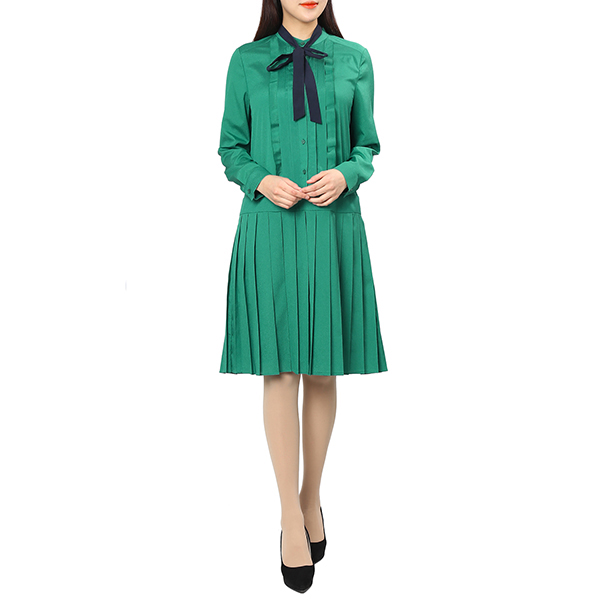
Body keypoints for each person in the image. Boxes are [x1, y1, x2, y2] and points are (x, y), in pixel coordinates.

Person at [217, 0, 388, 592]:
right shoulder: (245, 61)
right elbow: (230, 148)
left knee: (321, 370)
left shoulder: (355, 59)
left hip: (332, 225)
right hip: (269, 226)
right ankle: (290, 517)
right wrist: (261, 179)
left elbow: (367, 146)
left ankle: (311, 495)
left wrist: (347, 174)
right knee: (281, 370)